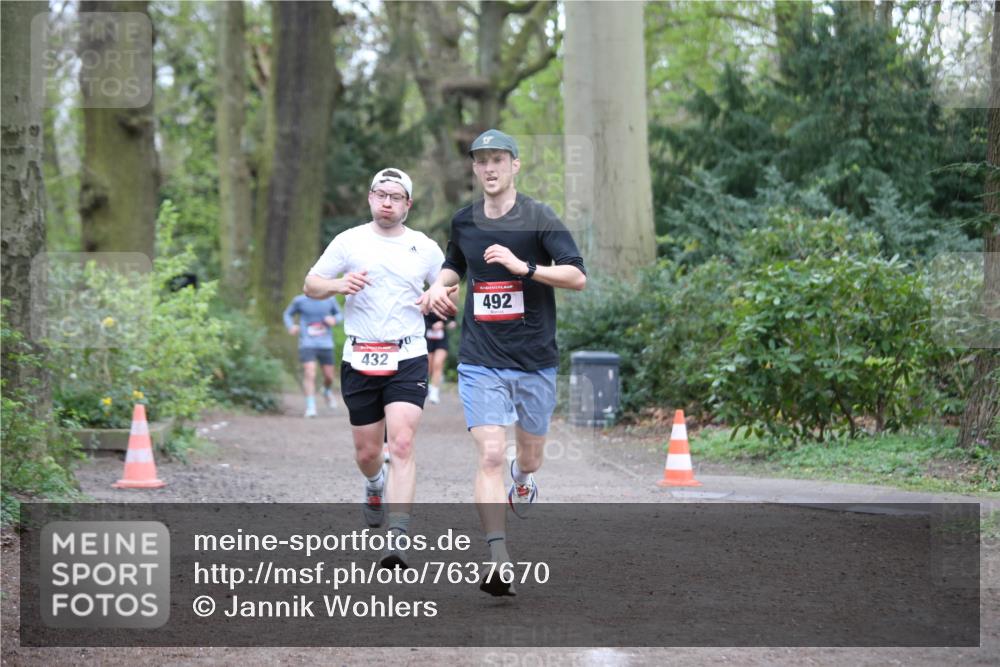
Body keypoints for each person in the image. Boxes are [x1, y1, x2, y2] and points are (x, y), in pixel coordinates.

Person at [418, 129, 586, 596]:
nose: (489, 168)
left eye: (498, 159)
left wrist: (524, 268)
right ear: (474, 169)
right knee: (491, 453)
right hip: (480, 358)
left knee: (527, 457)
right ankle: (497, 558)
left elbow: (577, 275)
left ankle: (524, 479)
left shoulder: (539, 218)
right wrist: (439, 285)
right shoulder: (464, 221)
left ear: (515, 165)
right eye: (481, 161)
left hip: (533, 358)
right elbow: (456, 264)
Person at [304, 168, 445, 569]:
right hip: (360, 356)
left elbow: (446, 286)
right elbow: (311, 284)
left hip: (408, 355)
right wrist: (338, 285)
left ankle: (397, 538)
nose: (387, 202)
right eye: (380, 194)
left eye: (395, 196)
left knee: (400, 444)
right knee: (368, 452)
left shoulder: (425, 247)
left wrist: (436, 296)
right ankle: (373, 483)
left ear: (407, 204)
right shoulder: (348, 241)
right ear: (370, 198)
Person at [283, 294, 342, 418]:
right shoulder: (300, 300)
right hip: (307, 343)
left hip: (326, 343)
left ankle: (326, 391)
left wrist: (334, 320)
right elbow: (287, 314)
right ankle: (311, 407)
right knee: (310, 372)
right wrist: (291, 326)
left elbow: (340, 314)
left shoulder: (329, 299)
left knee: (329, 377)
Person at [424, 312, 456, 404]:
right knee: (428, 368)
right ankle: (430, 386)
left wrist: (448, 324)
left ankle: (434, 392)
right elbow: (420, 319)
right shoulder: (426, 301)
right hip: (428, 339)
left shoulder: (445, 303)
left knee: (438, 363)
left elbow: (452, 318)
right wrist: (431, 326)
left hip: (442, 340)